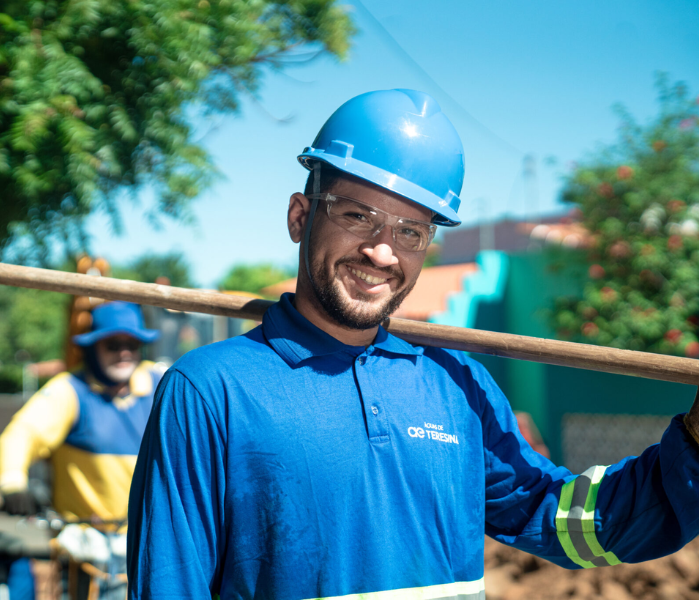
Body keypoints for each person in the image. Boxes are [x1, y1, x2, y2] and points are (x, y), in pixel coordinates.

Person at [126, 89, 699, 599]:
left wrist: (696, 440)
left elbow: (572, 525)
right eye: (357, 215)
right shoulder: (208, 391)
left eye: (410, 232)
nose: (382, 251)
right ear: (301, 216)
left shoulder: (457, 385)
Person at [0, 301, 163, 521]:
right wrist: (12, 481)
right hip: (86, 542)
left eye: (132, 344)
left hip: (149, 542)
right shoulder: (69, 390)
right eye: (113, 345)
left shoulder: (163, 383)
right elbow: (21, 434)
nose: (124, 353)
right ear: (92, 348)